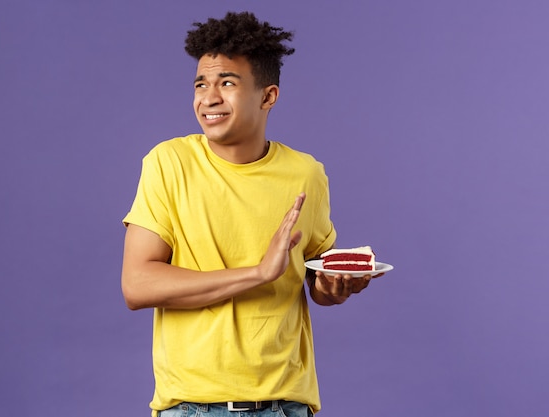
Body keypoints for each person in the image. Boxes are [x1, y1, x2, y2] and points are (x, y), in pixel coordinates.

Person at [121, 11, 383, 417]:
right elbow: (137, 284)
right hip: (192, 407)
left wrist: (335, 286)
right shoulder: (168, 163)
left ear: (268, 96)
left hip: (285, 405)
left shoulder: (306, 174)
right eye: (201, 84)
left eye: (227, 82)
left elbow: (315, 280)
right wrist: (259, 273)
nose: (208, 97)